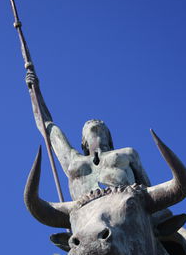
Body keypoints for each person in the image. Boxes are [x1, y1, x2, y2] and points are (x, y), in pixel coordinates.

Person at [26, 71, 150, 200]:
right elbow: (47, 126)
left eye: (103, 128)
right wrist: (34, 92)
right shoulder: (73, 160)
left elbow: (149, 191)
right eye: (89, 124)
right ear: (83, 142)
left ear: (109, 137)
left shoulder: (128, 153)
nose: (96, 123)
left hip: (128, 204)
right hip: (85, 210)